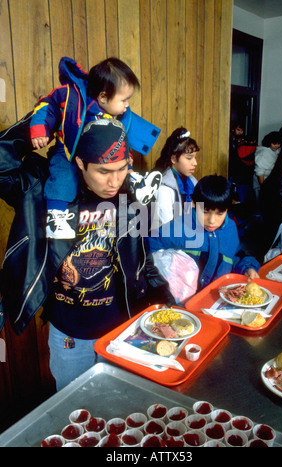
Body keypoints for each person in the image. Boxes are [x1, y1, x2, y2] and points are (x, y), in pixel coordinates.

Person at [0, 119, 174, 390]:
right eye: (104, 171)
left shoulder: (130, 192)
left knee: (118, 407)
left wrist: (164, 303)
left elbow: (141, 258)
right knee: (75, 408)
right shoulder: (44, 185)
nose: (114, 181)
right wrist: (43, 122)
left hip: (121, 330)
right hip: (69, 333)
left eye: (121, 169)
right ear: (80, 162)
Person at [30, 56, 162, 239]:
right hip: (69, 151)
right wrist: (39, 129)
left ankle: (138, 184)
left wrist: (126, 154)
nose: (127, 104)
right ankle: (56, 217)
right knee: (63, 177)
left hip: (105, 156)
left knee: (122, 164)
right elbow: (47, 104)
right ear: (103, 97)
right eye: (124, 100)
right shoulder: (72, 96)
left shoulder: (112, 114)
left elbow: (119, 138)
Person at [146, 175, 260, 291]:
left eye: (220, 213)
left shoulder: (230, 229)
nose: (212, 220)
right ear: (194, 203)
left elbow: (235, 256)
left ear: (228, 209)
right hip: (182, 302)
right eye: (205, 212)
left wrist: (247, 268)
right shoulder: (180, 226)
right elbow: (146, 246)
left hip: (218, 299)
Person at [153, 127, 199, 227]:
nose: (195, 163)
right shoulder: (164, 191)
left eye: (195, 157)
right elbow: (167, 231)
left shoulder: (193, 183)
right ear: (173, 159)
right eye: (189, 158)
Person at [253, 131, 282, 202]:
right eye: (274, 143)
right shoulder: (263, 153)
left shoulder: (275, 150)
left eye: (278, 144)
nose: (277, 146)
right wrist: (264, 188)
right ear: (269, 142)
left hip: (269, 183)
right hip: (262, 184)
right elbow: (260, 172)